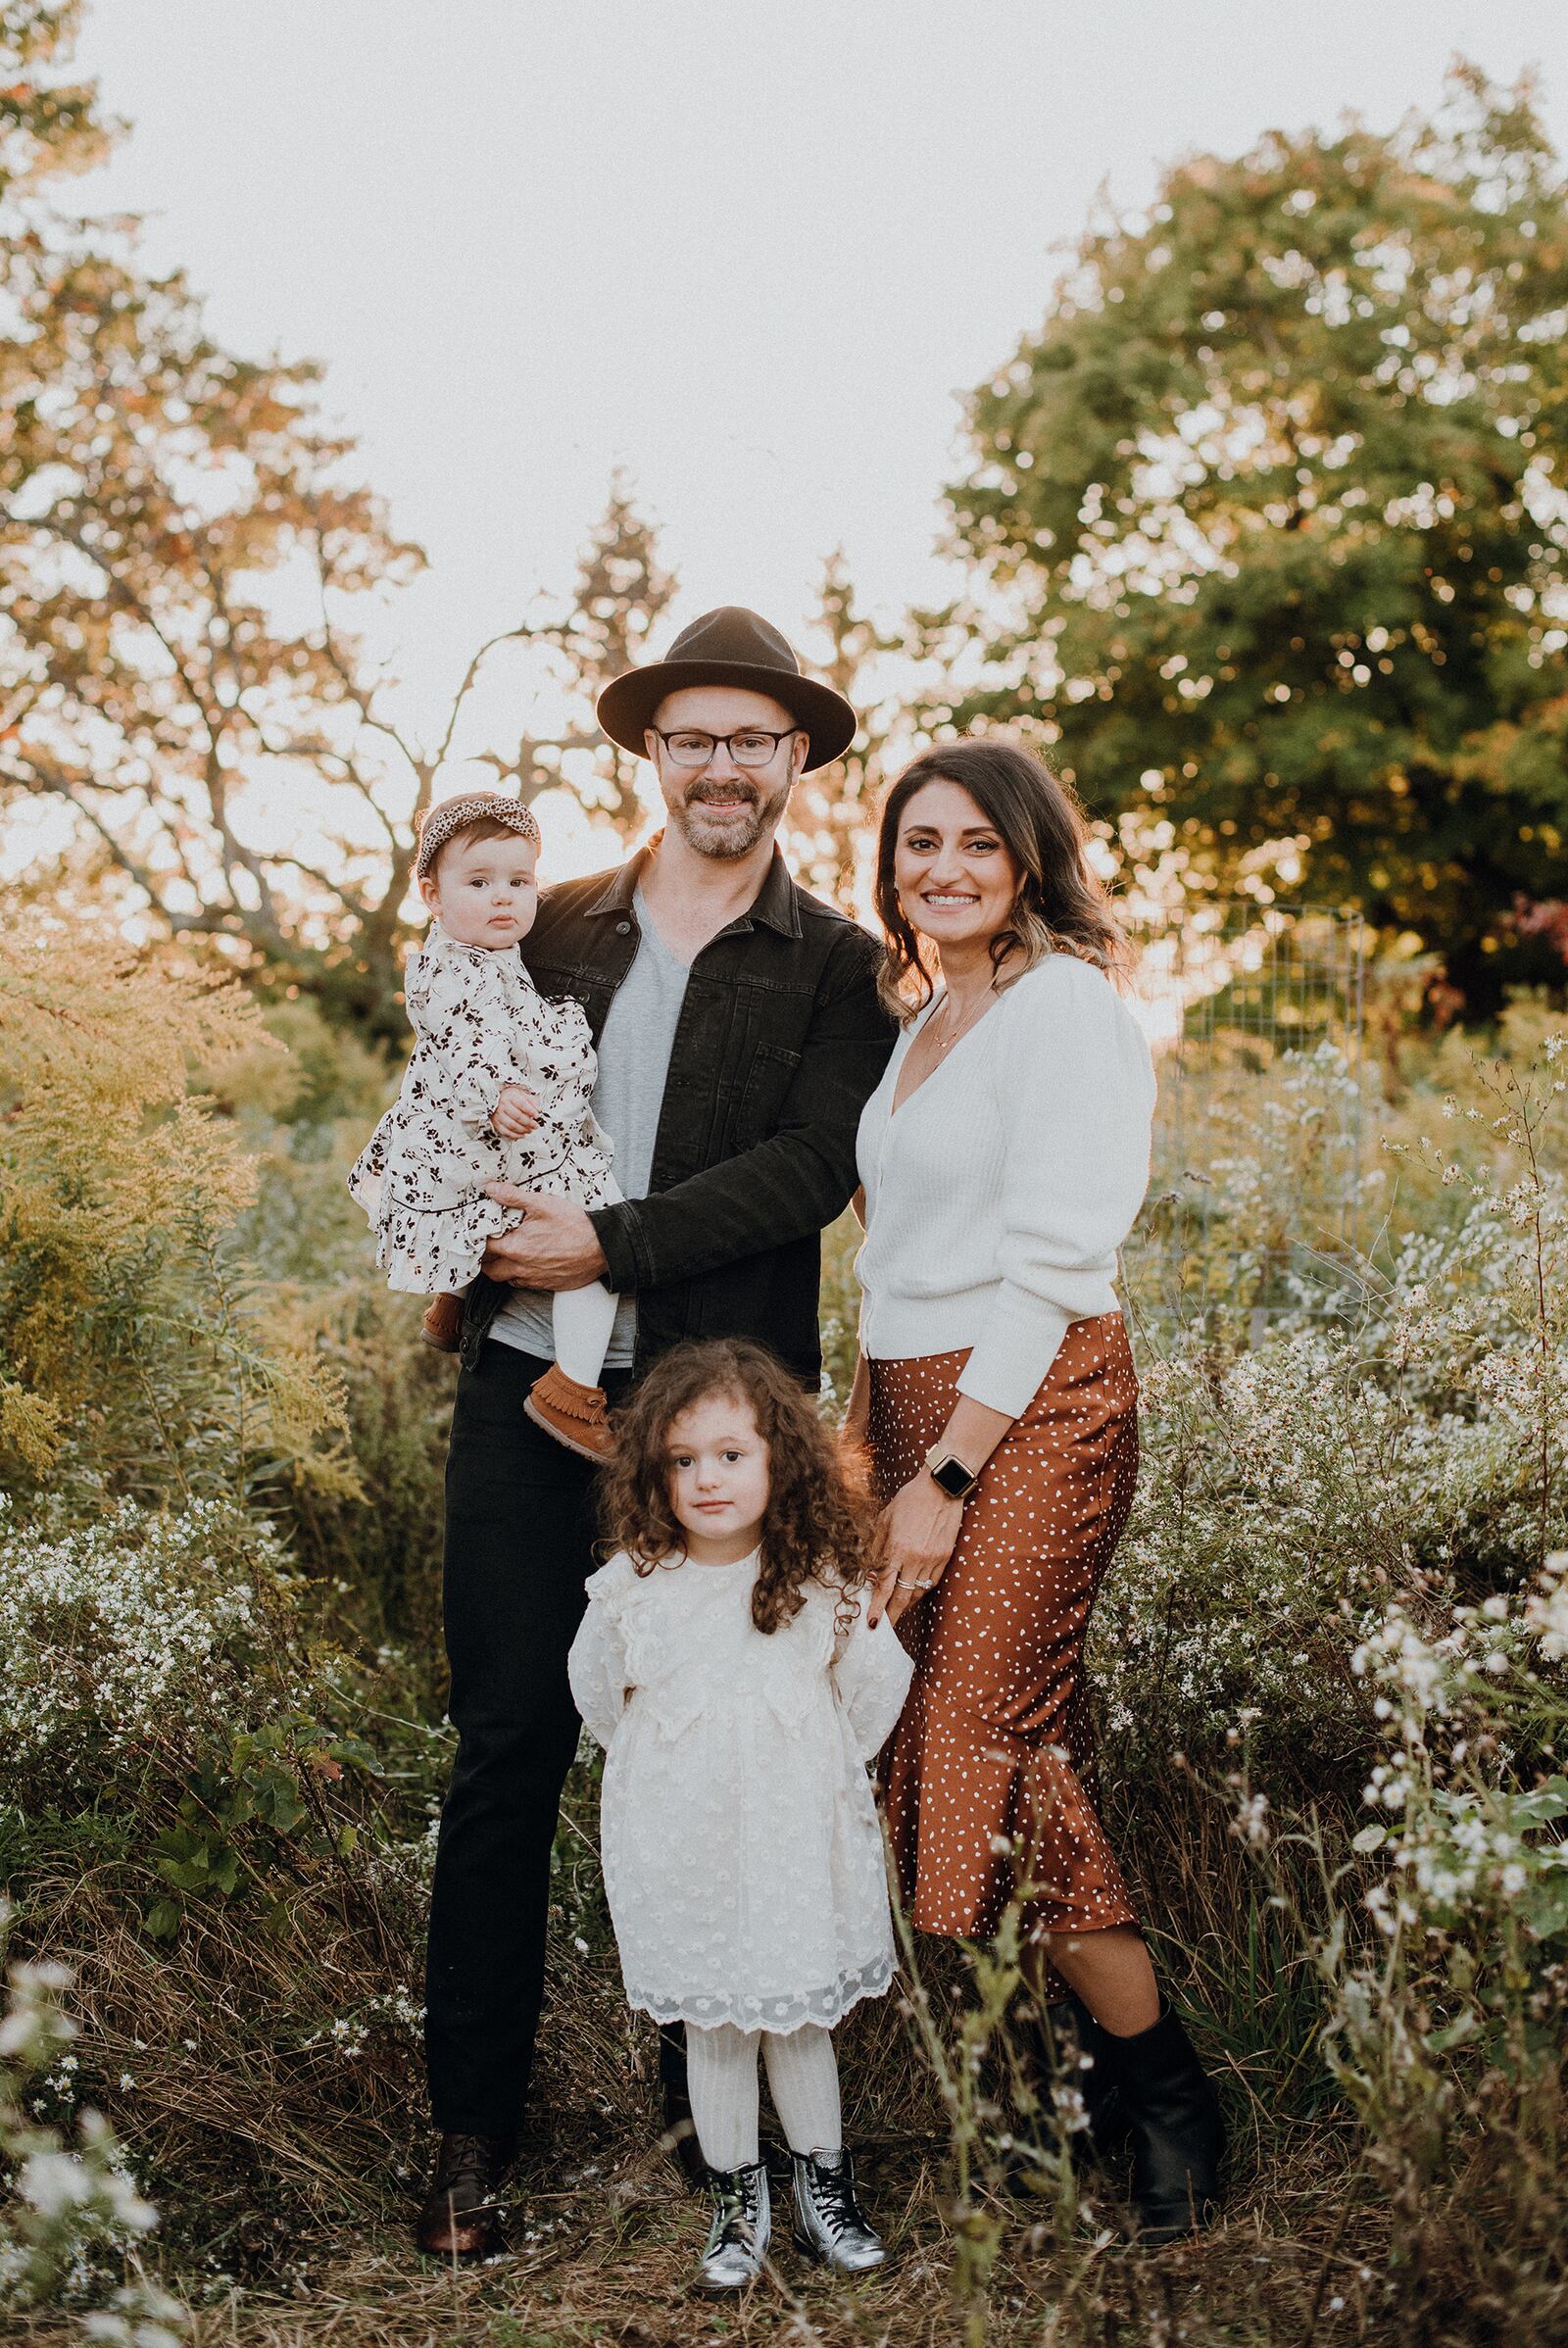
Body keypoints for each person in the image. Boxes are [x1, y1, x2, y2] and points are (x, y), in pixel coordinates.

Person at [415, 608, 897, 2260]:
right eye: (691, 736)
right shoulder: (548, 926)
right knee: (506, 1754)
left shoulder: (838, 962)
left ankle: (717, 2131)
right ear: (653, 752)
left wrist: (602, 1240)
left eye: (751, 739)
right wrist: (456, 1230)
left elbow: (809, 1168)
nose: (720, 764)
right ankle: (471, 2135)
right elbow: (437, 1086)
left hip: (709, 1440)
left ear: (794, 762)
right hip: (527, 1396)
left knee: (717, 1756)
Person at [848, 736, 1225, 2243]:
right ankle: (1063, 2096)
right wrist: (871, 1441)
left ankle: (1171, 2099)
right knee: (938, 1755)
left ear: (1028, 861)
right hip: (906, 1403)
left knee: (985, 1740)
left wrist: (946, 1469)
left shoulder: (1066, 1008)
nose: (940, 870)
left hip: (1034, 1403)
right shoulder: (925, 1012)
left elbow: (1057, 1264)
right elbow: (894, 1260)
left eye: (974, 847)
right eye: (916, 844)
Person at [568, 1339, 910, 2293]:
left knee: (798, 2020)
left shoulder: (821, 1584)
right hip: (683, 1848)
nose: (707, 1478)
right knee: (715, 2025)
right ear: (653, 1474)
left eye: (730, 1453)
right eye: (682, 1460)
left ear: (779, 1458)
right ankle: (734, 2198)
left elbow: (871, 1697)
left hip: (794, 1845)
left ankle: (824, 2188)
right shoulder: (634, 1587)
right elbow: (599, 1699)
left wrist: (803, 1774)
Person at [348, 793, 623, 1458]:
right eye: (479, 883)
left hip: (459, 1142)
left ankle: (450, 1301)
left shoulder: (482, 953)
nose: (504, 898)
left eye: (520, 882)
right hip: (485, 1130)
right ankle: (574, 1390)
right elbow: (461, 1039)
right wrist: (494, 1092)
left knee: (464, 1209)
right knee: (602, 1235)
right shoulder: (447, 967)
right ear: (431, 895)